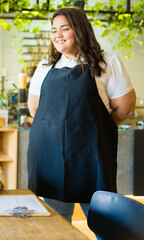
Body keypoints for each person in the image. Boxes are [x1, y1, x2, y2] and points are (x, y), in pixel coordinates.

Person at [27, 7, 136, 223]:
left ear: (80, 30)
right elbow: (34, 109)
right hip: (51, 156)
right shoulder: (45, 66)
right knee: (56, 223)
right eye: (53, 30)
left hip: (91, 155)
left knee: (102, 220)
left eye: (64, 29)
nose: (57, 35)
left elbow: (126, 107)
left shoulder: (107, 62)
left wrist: (96, 128)